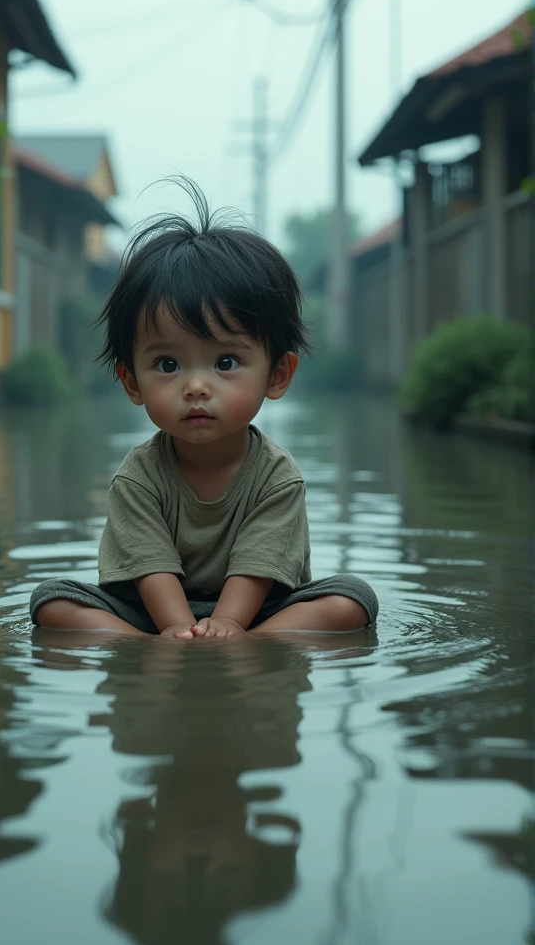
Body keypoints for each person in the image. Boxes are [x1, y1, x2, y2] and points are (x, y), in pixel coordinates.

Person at [29, 179, 379, 638]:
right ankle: (152, 646)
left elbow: (260, 564)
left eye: (226, 362)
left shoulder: (277, 476)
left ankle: (245, 644)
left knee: (351, 601)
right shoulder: (138, 476)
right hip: (151, 617)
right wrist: (177, 630)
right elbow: (149, 566)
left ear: (277, 375)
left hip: (256, 614)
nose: (196, 387)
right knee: (52, 602)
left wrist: (230, 625)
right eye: (168, 364)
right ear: (131, 382)